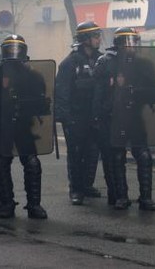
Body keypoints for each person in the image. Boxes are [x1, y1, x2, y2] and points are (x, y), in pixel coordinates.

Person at [92, 27, 155, 211]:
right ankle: (121, 196)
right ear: (119, 44)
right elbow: (99, 94)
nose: (131, 45)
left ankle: (146, 197)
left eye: (133, 41)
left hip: (136, 116)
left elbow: (153, 91)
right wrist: (99, 116)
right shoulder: (106, 62)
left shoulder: (144, 64)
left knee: (144, 156)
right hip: (114, 116)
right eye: (127, 41)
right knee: (117, 155)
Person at [0, 34, 49, 219]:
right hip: (1, 126)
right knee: (2, 163)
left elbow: (42, 104)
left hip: (24, 125)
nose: (14, 53)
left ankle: (34, 204)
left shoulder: (33, 75)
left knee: (32, 163)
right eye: (10, 49)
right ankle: (7, 203)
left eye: (17, 49)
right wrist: (2, 89)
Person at [55, 21, 105, 205]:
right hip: (76, 117)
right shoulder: (70, 63)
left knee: (93, 153)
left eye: (99, 35)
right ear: (85, 39)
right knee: (76, 154)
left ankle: (87, 185)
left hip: (94, 116)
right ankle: (76, 189)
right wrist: (66, 119)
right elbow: (62, 92)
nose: (99, 39)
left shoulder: (101, 60)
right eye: (95, 36)